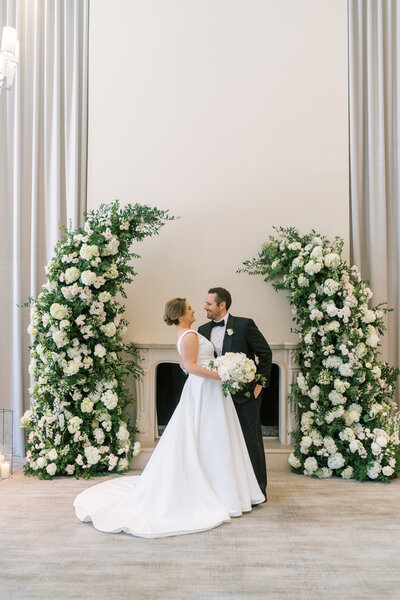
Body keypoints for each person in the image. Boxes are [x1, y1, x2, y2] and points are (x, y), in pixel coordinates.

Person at [73, 298, 265, 538]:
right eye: (190, 307)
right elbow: (190, 366)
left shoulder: (186, 334)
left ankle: (221, 487)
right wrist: (222, 375)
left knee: (212, 438)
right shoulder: (190, 335)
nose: (195, 309)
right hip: (204, 390)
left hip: (207, 390)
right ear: (182, 313)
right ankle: (218, 491)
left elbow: (188, 367)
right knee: (210, 437)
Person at [198, 287, 272, 500]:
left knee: (251, 440)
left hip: (245, 395)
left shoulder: (244, 325)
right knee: (219, 441)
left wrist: (259, 385)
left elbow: (265, 354)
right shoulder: (202, 329)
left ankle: (258, 490)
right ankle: (225, 490)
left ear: (222, 305)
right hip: (215, 396)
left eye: (209, 304)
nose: (205, 307)